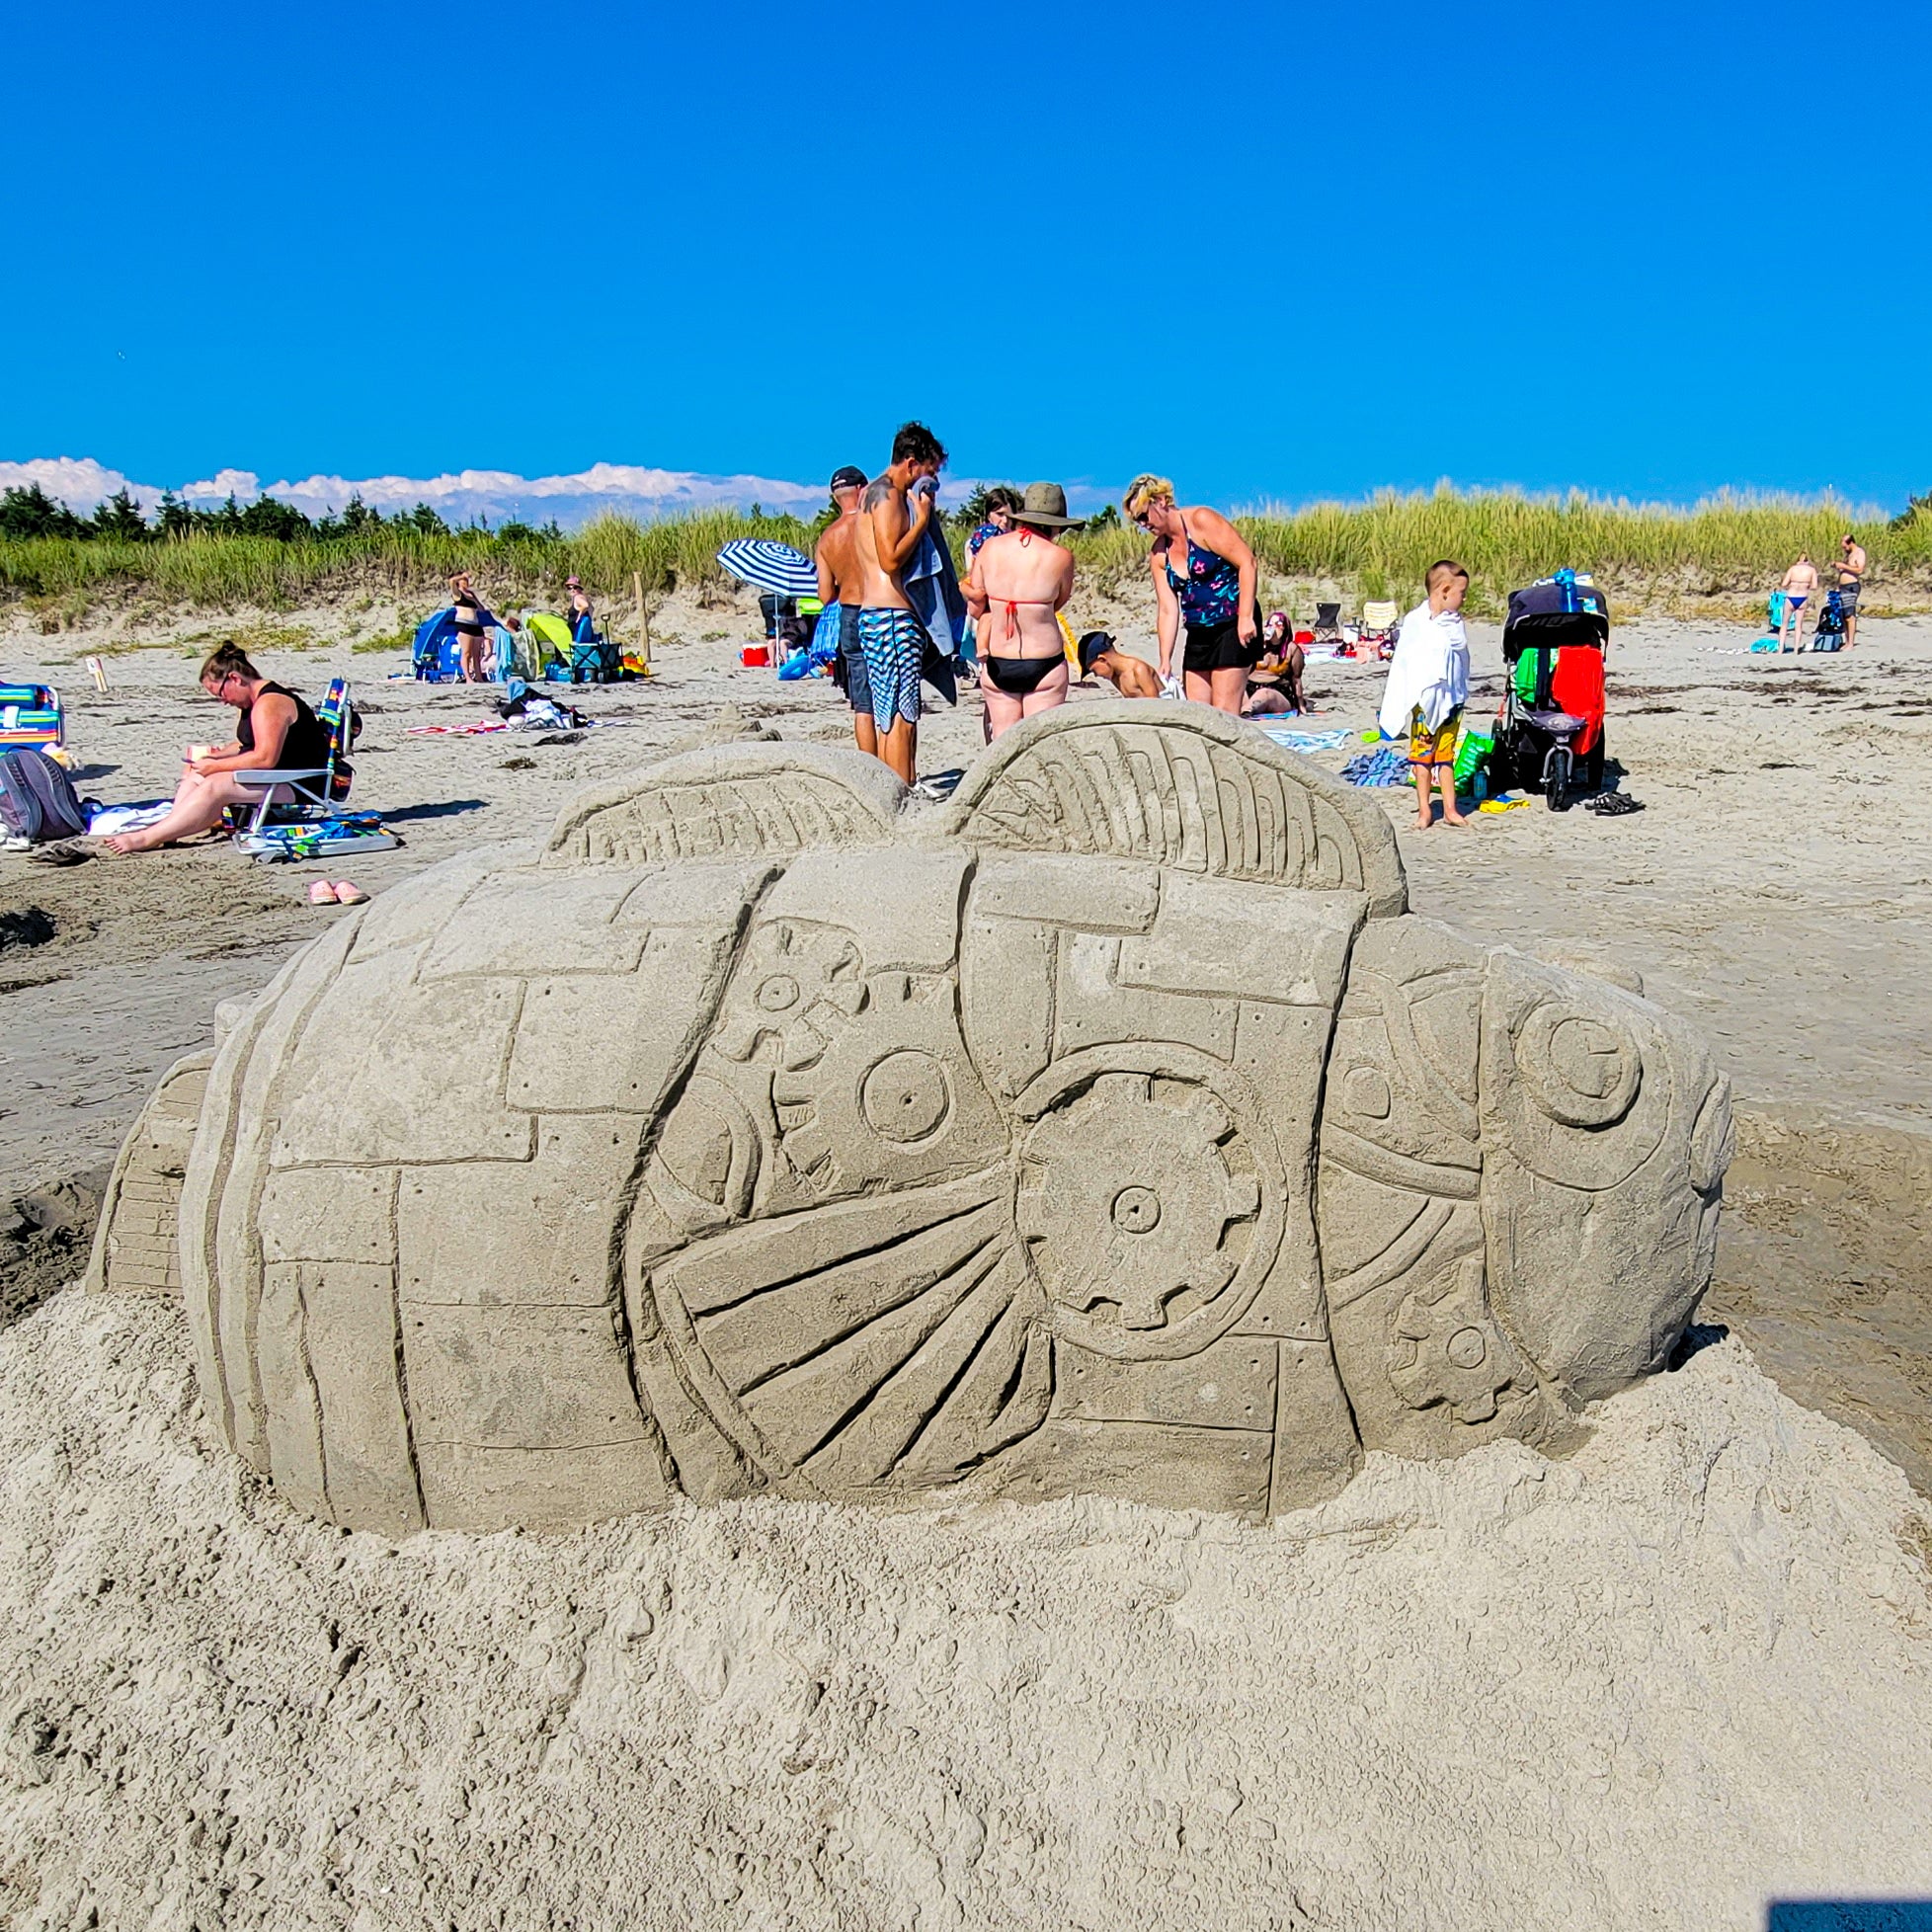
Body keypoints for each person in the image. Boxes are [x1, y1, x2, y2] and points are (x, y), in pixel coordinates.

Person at [103, 644, 334, 855]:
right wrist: (216, 756)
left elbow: (265, 758)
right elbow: (249, 745)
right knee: (196, 776)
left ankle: (146, 838)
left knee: (216, 784)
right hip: (278, 778)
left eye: (221, 694)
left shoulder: (270, 704)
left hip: (300, 784)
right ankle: (169, 829)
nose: (223, 701)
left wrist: (215, 766)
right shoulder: (255, 702)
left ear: (235, 678)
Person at [852, 422, 948, 784]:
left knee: (887, 709)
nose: (933, 481)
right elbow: (890, 559)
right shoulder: (890, 495)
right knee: (903, 712)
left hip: (875, 615)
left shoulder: (871, 493)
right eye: (930, 471)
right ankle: (902, 789)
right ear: (911, 463)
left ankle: (897, 785)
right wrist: (922, 521)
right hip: (892, 616)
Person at [1123, 475, 1258, 715]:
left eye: (1144, 516)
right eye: (1137, 521)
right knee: (1197, 715)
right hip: (1198, 631)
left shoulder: (1200, 521)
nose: (1143, 524)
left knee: (1225, 715)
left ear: (1162, 501)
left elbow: (1247, 563)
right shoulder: (1158, 554)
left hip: (1231, 622)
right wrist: (1165, 659)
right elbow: (1167, 608)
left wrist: (1245, 617)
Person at [964, 482, 1081, 739]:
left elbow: (975, 607)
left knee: (1004, 745)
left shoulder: (990, 548)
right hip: (1044, 661)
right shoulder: (1061, 557)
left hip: (999, 660)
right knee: (1040, 748)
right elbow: (1057, 603)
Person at [1378, 560, 1472, 832]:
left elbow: (1460, 653)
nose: (1464, 599)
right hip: (1424, 702)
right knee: (1422, 758)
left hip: (1450, 701)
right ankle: (1424, 810)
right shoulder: (1416, 621)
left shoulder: (1454, 624)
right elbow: (1407, 660)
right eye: (1461, 593)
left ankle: (1451, 809)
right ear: (1444, 591)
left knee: (1446, 757)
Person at [814, 464, 873, 756]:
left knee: (862, 703)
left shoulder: (828, 538)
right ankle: (901, 771)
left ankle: (870, 767)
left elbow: (825, 595)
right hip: (880, 608)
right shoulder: (875, 524)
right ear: (862, 489)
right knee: (893, 696)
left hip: (849, 612)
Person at [1244, 609, 1308, 715]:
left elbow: (1296, 679)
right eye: (1270, 624)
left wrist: (1300, 704)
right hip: (1250, 687)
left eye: (1278, 624)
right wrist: (1259, 644)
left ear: (1285, 629)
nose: (1273, 628)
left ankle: (1245, 712)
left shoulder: (1292, 649)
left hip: (1277, 692)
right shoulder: (1256, 645)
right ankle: (1243, 711)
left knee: (1264, 694)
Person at [1080, 632, 1161, 698]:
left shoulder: (1138, 670)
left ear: (1102, 659)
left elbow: (1155, 704)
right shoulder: (1115, 677)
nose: (1096, 675)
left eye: (1093, 670)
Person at [966, 487, 1020, 561]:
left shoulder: (1021, 542)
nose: (1005, 520)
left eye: (1010, 516)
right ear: (988, 516)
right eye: (1000, 514)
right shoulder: (974, 543)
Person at [1779, 554, 1818, 653]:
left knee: (1784, 624)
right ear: (1807, 561)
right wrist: (1805, 585)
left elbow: (1784, 584)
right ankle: (1796, 649)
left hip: (1791, 597)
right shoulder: (1811, 570)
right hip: (1802, 597)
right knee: (1798, 625)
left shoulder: (1792, 569)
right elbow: (1814, 586)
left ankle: (1780, 649)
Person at [1837, 532, 1868, 649]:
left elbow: (1859, 569)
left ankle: (1851, 643)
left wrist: (1844, 566)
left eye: (1844, 544)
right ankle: (1847, 641)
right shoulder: (1849, 555)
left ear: (1850, 543)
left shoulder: (1859, 553)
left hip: (1851, 586)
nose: (1843, 547)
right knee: (1844, 615)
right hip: (1843, 587)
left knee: (1850, 615)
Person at [565, 575, 596, 644]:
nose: (572, 590)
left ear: (579, 588)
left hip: (576, 634)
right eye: (569, 588)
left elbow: (585, 605)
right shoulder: (584, 597)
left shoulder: (577, 598)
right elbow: (591, 608)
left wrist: (580, 614)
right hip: (584, 634)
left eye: (575, 587)